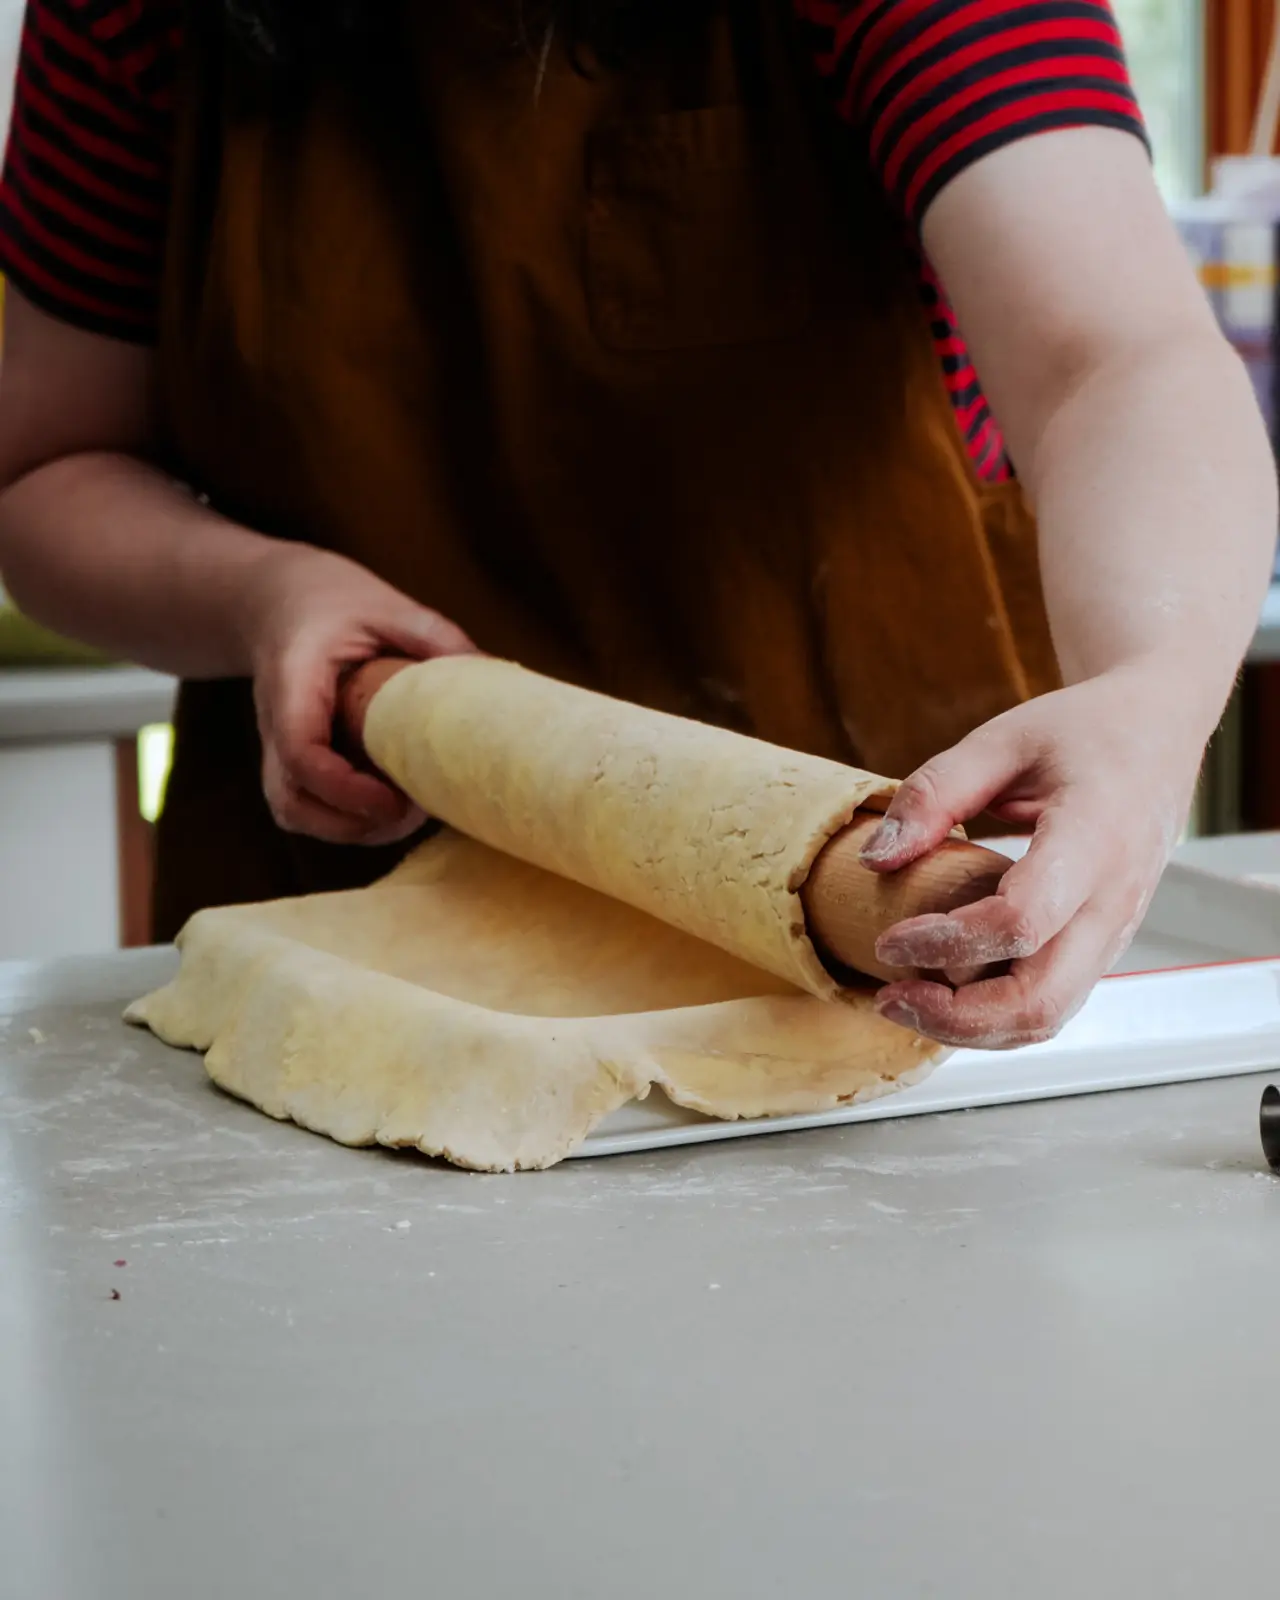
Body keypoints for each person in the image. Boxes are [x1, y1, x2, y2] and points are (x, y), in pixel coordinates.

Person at [0, 0, 1273, 1050]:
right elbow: (44, 467)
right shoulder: (140, 16)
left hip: (889, 982)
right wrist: (257, 596)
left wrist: (1151, 692)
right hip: (336, 957)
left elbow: (1112, 360)